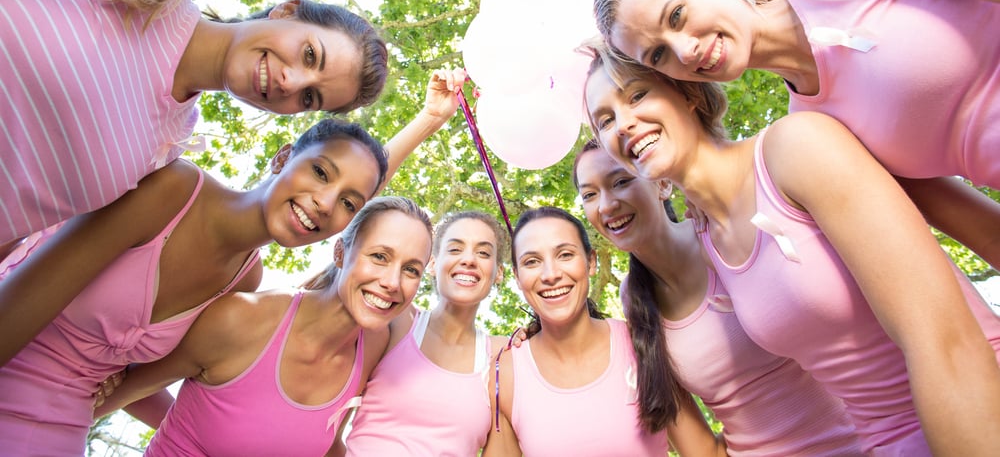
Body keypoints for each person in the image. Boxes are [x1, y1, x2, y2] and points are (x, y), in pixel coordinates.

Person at [0, 66, 467, 456]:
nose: (326, 204)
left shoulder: (246, 278)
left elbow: (374, 223)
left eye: (348, 204)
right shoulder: (174, 191)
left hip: (57, 426)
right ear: (282, 157)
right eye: (319, 173)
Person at [583, 46, 1000, 456]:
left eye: (637, 95)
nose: (623, 124)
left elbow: (946, 340)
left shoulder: (793, 149)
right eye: (605, 120)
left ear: (688, 92)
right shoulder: (710, 234)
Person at [593, 0, 1000, 268]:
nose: (685, 51)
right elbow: (980, 229)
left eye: (677, 16)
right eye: (659, 55)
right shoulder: (819, 131)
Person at [1, 0, 387, 243]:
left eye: (309, 97)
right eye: (308, 55)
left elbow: (21, 220)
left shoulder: (165, 149)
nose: (292, 82)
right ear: (287, 10)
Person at [573, 139, 864, 455]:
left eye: (620, 182)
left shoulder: (723, 234)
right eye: (589, 195)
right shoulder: (633, 297)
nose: (605, 205)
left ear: (661, 185)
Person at [94, 196, 434, 457]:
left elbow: (328, 447)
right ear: (341, 253)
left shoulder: (374, 348)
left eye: (412, 270)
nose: (392, 282)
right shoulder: (241, 320)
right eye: (379, 256)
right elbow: (110, 395)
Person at [483, 207, 725, 457]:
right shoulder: (505, 375)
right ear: (517, 277)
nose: (551, 275)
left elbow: (707, 453)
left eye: (565, 255)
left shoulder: (642, 344)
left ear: (591, 263)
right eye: (532, 261)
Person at [340, 211, 510, 456]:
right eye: (454, 249)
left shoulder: (504, 356)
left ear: (499, 273)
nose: (469, 260)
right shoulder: (395, 322)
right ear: (432, 264)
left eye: (483, 253)